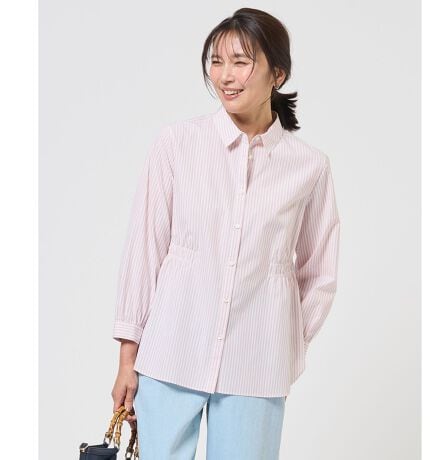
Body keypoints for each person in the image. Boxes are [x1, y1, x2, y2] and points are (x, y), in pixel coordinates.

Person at [111, 7, 340, 459]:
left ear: (278, 74)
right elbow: (145, 250)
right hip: (171, 352)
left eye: (240, 61)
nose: (225, 76)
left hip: (257, 368)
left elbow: (321, 273)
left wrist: (286, 343)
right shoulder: (178, 144)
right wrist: (127, 358)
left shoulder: (309, 166)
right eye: (216, 61)